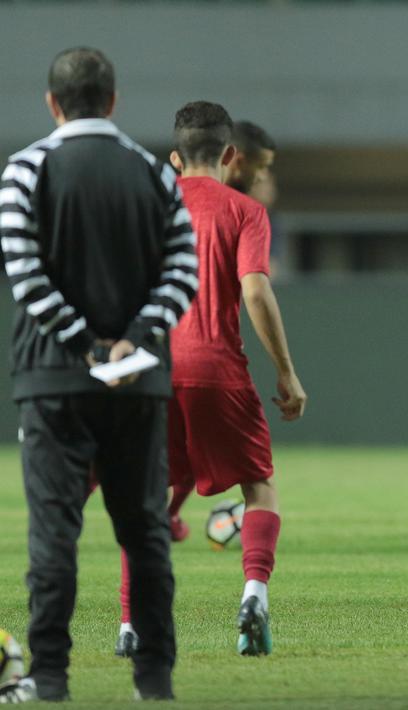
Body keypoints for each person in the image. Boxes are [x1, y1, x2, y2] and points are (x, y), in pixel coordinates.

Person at [0, 47, 197, 702]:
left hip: (51, 381)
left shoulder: (25, 169)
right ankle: (154, 678)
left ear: (53, 104)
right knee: (143, 532)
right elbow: (182, 275)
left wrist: (83, 343)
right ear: (112, 101)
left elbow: (25, 276)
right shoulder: (152, 172)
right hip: (138, 382)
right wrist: (131, 341)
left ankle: (50, 677)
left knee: (54, 531)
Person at [158, 120, 283, 542]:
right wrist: (286, 370)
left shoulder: (151, 203)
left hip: (151, 362)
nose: (263, 178)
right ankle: (255, 595)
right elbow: (255, 290)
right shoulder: (243, 211)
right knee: (258, 482)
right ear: (234, 158)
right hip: (214, 361)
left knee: (152, 482)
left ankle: (129, 609)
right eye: (262, 168)